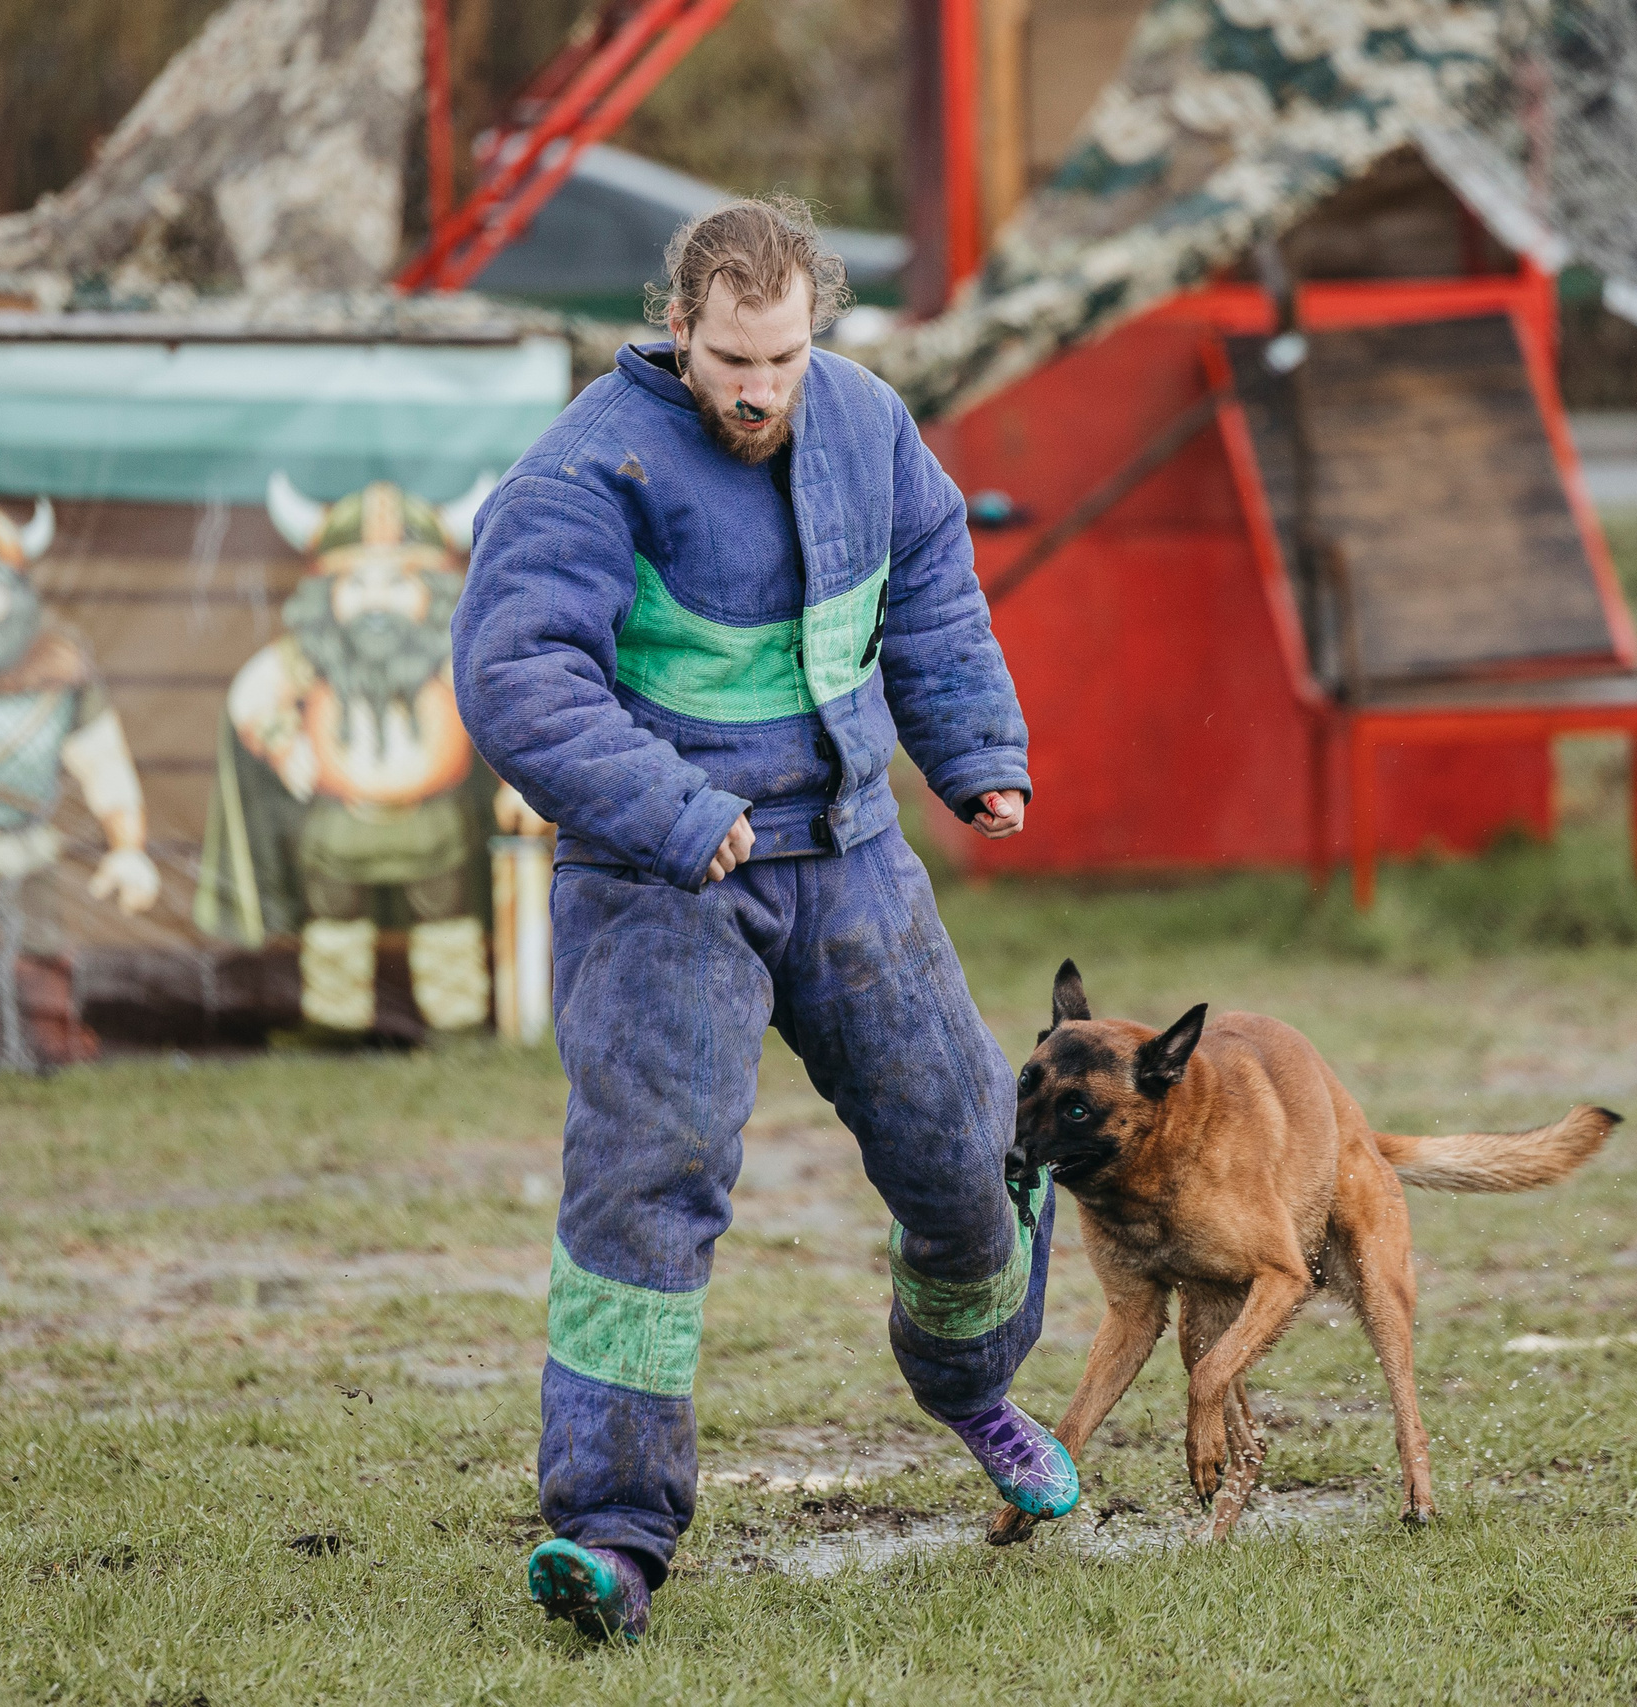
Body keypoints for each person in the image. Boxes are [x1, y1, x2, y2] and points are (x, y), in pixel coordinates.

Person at [452, 196, 1077, 1642]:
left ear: (817, 335)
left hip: (853, 853)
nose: (759, 391)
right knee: (644, 1188)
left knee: (969, 1158)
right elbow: (517, 675)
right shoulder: (581, 470)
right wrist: (671, 810)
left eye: (785, 359)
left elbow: (929, 587)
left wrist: (976, 750)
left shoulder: (864, 422)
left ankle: (978, 1396)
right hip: (667, 880)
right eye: (734, 359)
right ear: (680, 329)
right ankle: (608, 1536)